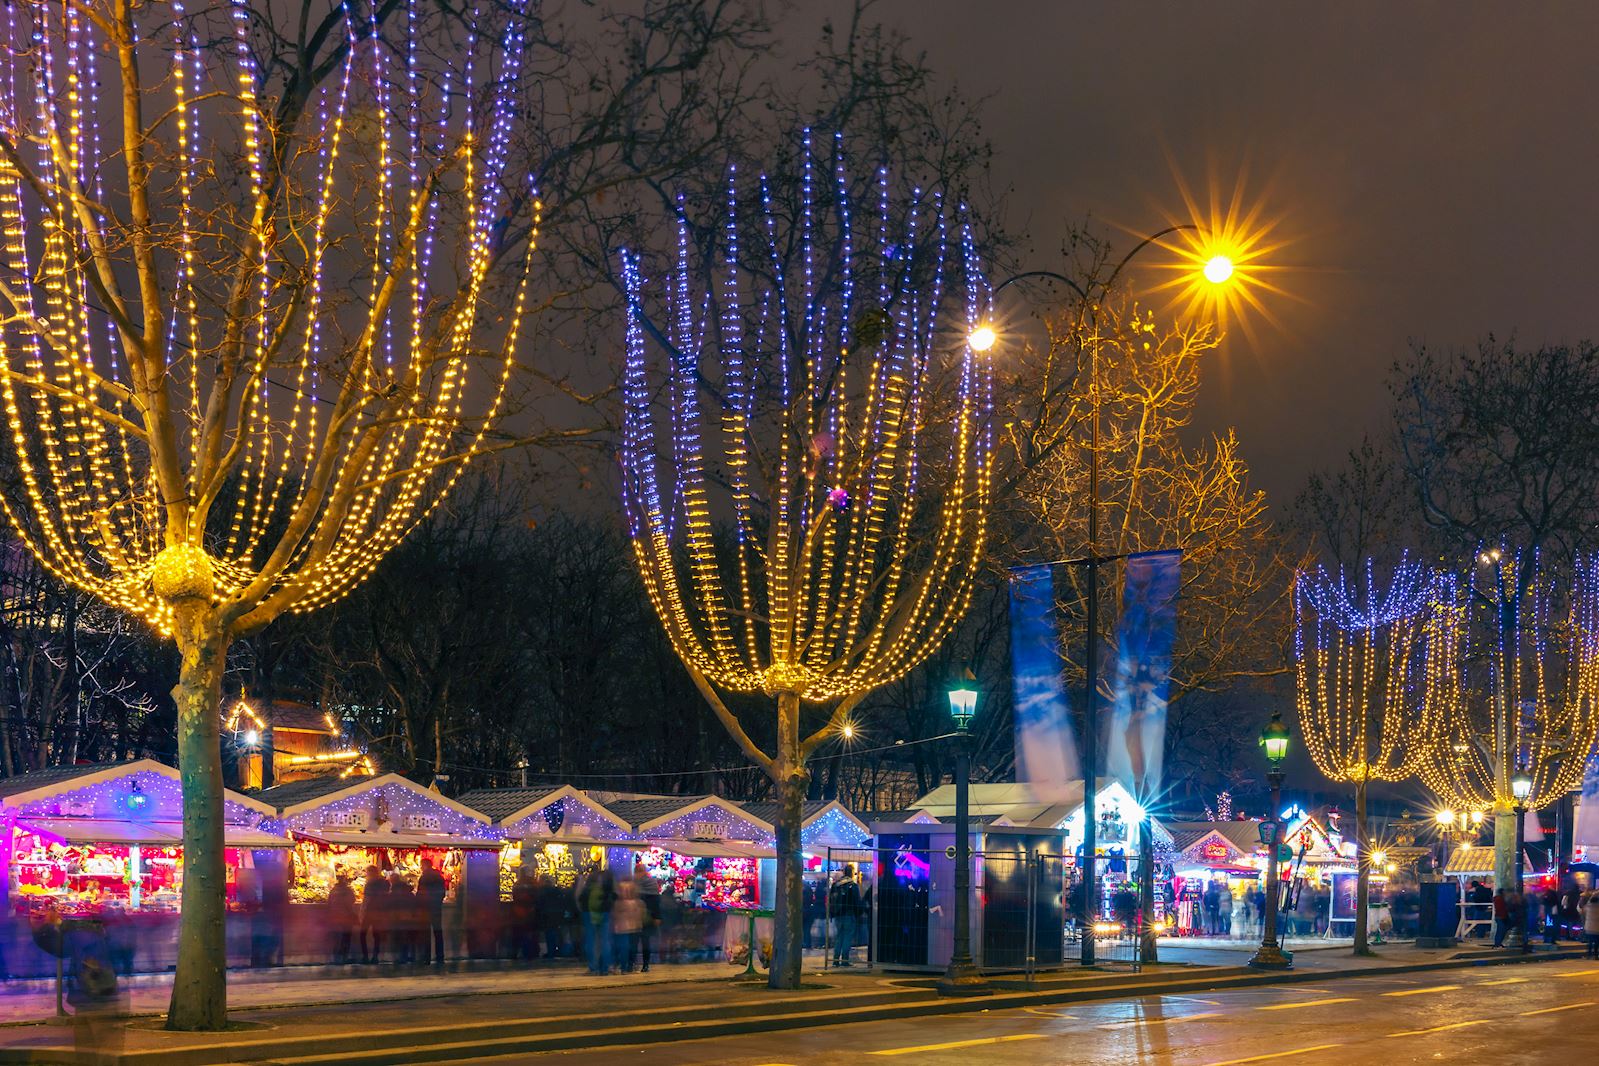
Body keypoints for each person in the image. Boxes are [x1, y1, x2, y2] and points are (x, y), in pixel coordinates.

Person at [579, 868, 616, 974]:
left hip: (589, 915)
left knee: (591, 940)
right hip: (604, 914)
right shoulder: (608, 889)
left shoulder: (587, 889)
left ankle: (593, 966)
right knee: (605, 941)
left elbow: (581, 900)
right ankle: (605, 966)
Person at [416, 858, 449, 966]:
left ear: (424, 866)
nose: (420, 868)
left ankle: (426, 958)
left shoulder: (424, 877)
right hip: (436, 908)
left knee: (426, 934)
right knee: (438, 933)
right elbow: (442, 893)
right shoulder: (439, 877)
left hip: (426, 909)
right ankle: (440, 957)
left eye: (421, 866)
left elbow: (420, 894)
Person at [611, 870, 644, 973]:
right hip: (634, 925)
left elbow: (615, 913)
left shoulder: (619, 900)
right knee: (633, 946)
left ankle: (622, 966)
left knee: (622, 946)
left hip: (622, 925)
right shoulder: (637, 901)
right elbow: (640, 913)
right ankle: (630, 965)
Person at [829, 865, 862, 966]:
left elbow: (831, 900)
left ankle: (835, 960)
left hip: (838, 915)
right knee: (847, 937)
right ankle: (845, 960)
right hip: (849, 914)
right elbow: (857, 903)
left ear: (843, 872)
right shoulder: (853, 885)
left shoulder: (836, 885)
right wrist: (858, 914)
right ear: (852, 873)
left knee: (839, 936)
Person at [327, 874, 358, 964]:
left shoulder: (333, 891)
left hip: (334, 918)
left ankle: (336, 958)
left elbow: (329, 903)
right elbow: (352, 901)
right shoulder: (348, 891)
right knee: (346, 938)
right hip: (346, 917)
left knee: (336, 938)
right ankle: (344, 957)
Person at [635, 863, 661, 972]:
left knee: (636, 941)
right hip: (647, 917)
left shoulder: (634, 885)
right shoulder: (652, 884)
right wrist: (656, 917)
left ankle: (634, 963)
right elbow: (656, 902)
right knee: (645, 941)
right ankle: (645, 965)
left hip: (638, 917)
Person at [536, 873, 568, 959]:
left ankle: (550, 952)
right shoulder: (557, 890)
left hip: (546, 915)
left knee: (549, 934)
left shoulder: (541, 891)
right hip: (556, 914)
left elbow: (539, 903)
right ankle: (555, 951)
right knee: (554, 933)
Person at [361, 865, 387, 964]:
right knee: (377, 935)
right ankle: (375, 956)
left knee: (362, 934)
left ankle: (365, 956)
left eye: (367, 872)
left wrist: (362, 912)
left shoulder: (369, 884)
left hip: (369, 912)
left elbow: (366, 900)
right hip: (379, 912)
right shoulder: (384, 883)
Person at [1583, 890, 1599, 959]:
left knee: (1590, 942)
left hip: (1588, 928)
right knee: (1596, 943)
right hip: (1597, 928)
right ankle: (1596, 955)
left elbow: (1583, 911)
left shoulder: (1588, 906)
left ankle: (1588, 955)